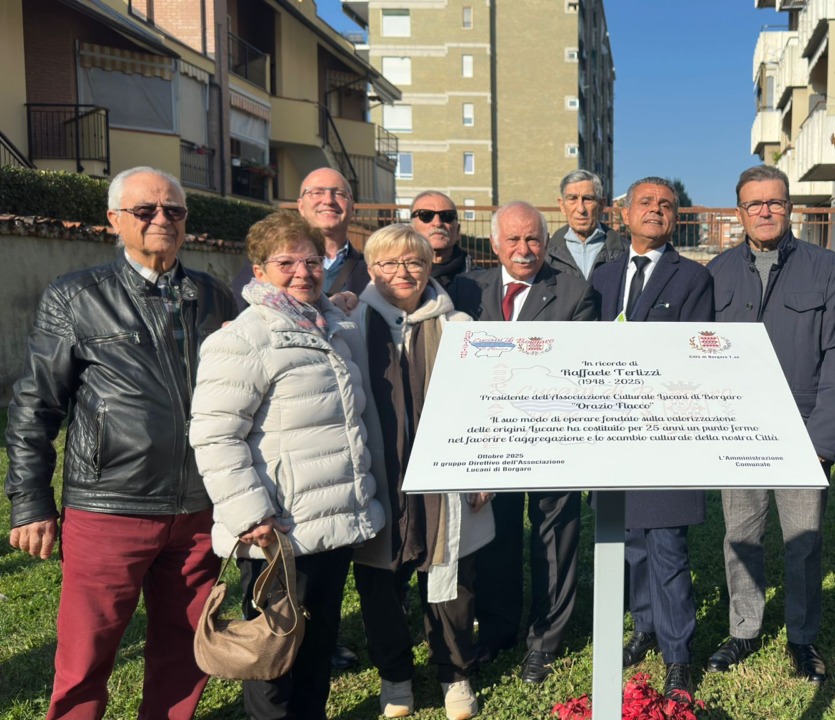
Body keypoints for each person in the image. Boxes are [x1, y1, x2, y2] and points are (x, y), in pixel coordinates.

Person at [5, 166, 237, 720]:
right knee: (86, 653)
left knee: (186, 650)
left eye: (174, 211)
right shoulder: (77, 297)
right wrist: (31, 501)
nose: (162, 219)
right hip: (110, 506)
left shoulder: (214, 297)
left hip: (200, 508)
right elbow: (36, 404)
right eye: (146, 210)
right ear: (114, 220)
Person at [189, 211, 385, 719]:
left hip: (329, 523)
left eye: (312, 260)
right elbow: (214, 434)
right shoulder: (244, 337)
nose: (303, 271)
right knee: (273, 658)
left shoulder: (329, 328)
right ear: (258, 271)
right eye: (286, 262)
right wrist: (250, 514)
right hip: (276, 532)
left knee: (316, 650)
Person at [703, 165, 835, 684]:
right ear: (739, 212)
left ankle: (802, 637)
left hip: (803, 430)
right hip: (736, 431)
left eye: (774, 202)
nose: (765, 211)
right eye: (754, 204)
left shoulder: (826, 268)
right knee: (740, 535)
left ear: (789, 207)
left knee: (804, 540)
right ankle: (744, 629)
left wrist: (823, 440)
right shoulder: (717, 272)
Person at [453, 202, 600, 684]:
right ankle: (498, 630)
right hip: (489, 436)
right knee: (495, 535)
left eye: (533, 239)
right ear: (493, 244)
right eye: (513, 240)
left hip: (551, 431)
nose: (524, 249)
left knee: (553, 536)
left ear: (546, 240)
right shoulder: (467, 289)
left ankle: (545, 639)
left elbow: (580, 367)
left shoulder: (574, 291)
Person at [349, 223, 491, 719]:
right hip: (379, 479)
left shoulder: (460, 327)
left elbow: (482, 406)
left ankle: (455, 675)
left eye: (413, 262)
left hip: (445, 483)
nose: (402, 273)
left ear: (430, 267)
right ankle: (396, 679)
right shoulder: (347, 325)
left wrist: (481, 472)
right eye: (388, 263)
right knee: (379, 584)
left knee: (453, 583)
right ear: (371, 270)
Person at [590, 176, 713, 701]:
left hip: (666, 430)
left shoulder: (693, 278)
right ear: (624, 214)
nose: (656, 211)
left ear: (676, 218)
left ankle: (679, 654)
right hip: (612, 431)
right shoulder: (603, 274)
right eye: (646, 203)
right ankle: (645, 625)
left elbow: (693, 354)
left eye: (666, 205)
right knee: (630, 541)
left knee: (666, 544)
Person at [231, 168, 369, 312]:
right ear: (301, 206)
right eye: (316, 192)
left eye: (339, 193)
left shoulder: (376, 272)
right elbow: (240, 315)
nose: (328, 200)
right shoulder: (266, 262)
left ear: (353, 208)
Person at [546, 169, 626, 280]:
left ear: (601, 205)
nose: (580, 209)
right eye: (572, 199)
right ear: (562, 206)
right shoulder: (546, 254)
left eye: (587, 199)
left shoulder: (625, 251)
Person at [411, 190, 474, 290]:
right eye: (426, 215)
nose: (437, 223)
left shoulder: (481, 282)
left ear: (457, 231)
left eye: (447, 216)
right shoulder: (396, 280)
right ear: (412, 229)